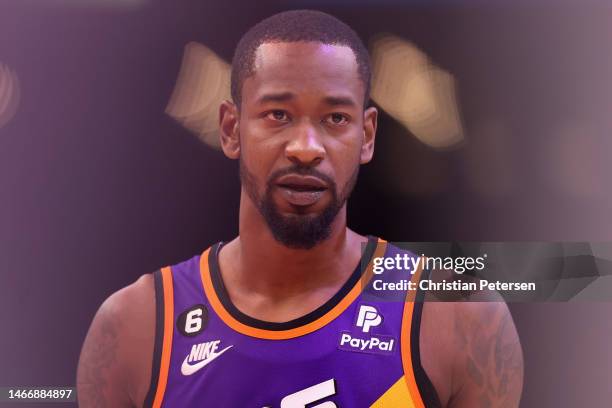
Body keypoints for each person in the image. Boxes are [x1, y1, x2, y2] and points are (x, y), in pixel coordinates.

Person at [77, 10, 523, 407]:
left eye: (335, 119)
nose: (306, 148)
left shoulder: (459, 316)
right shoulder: (136, 325)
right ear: (231, 129)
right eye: (278, 114)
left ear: (367, 136)